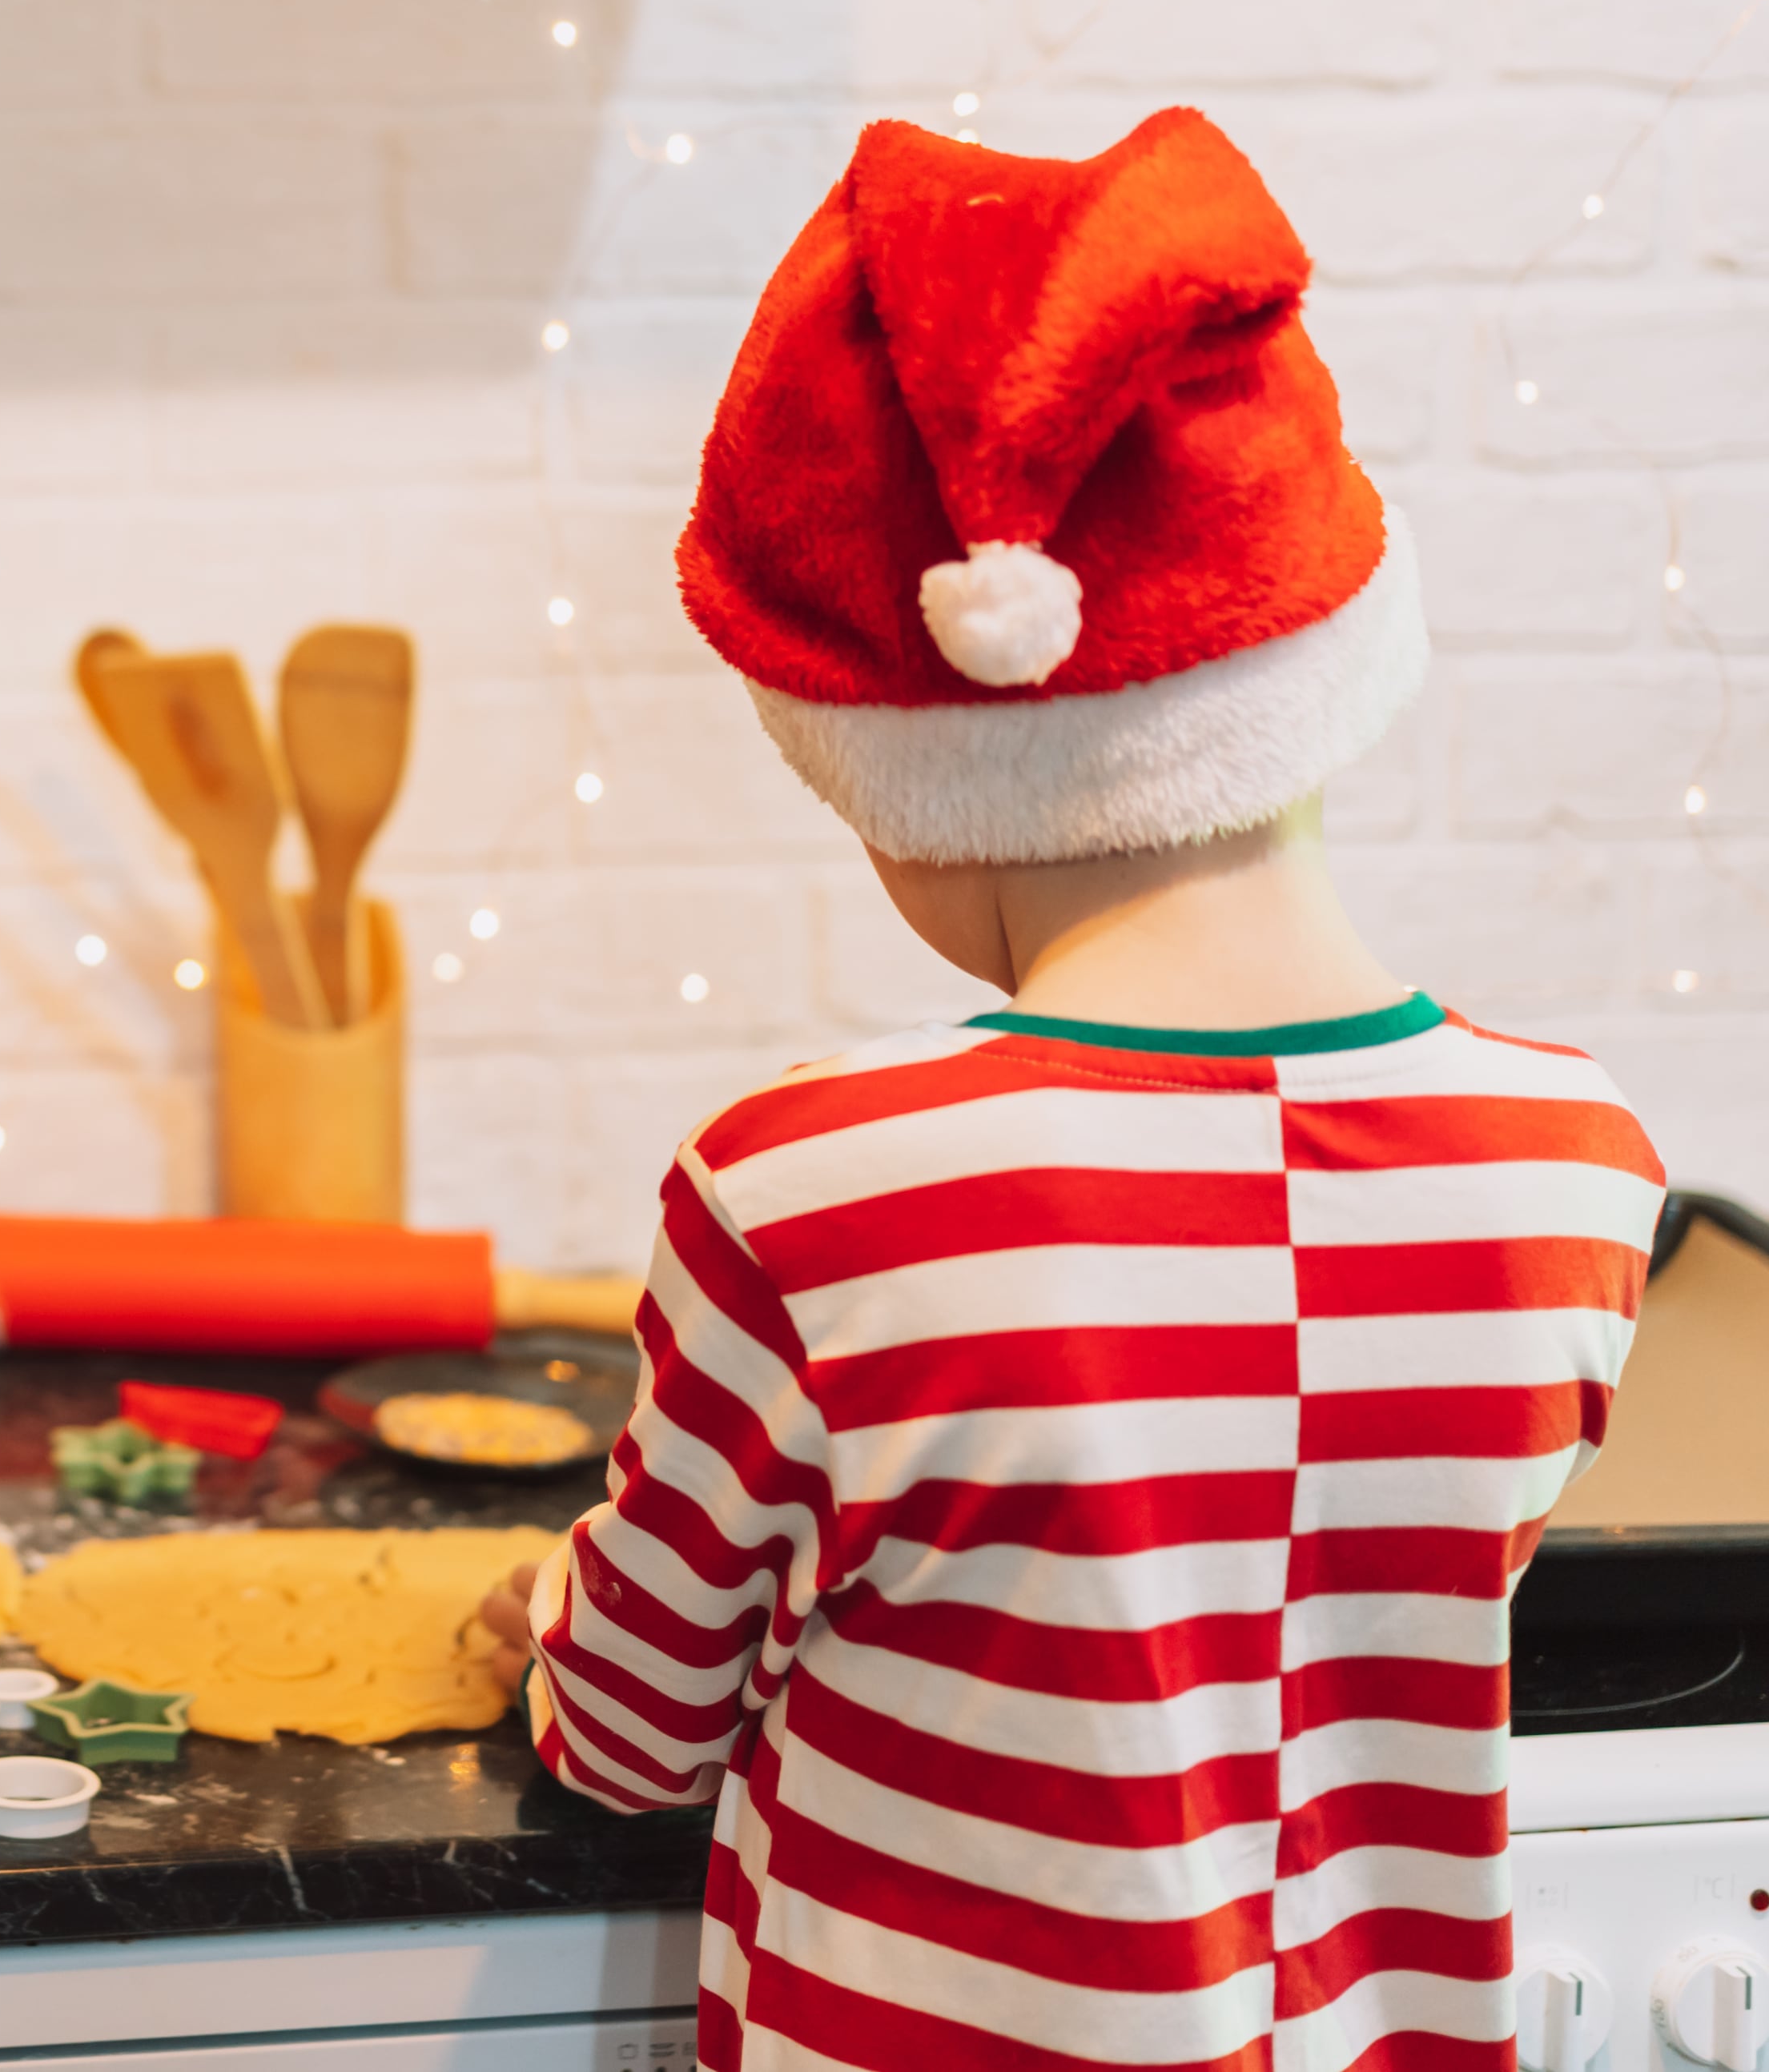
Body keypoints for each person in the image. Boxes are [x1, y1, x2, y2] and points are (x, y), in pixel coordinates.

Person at [476, 109, 1666, 2070]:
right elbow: (1278, 1581)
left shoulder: (810, 1191)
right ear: (1322, 681)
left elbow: (627, 1728)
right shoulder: (1580, 1166)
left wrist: (542, 1601)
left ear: (911, 784)